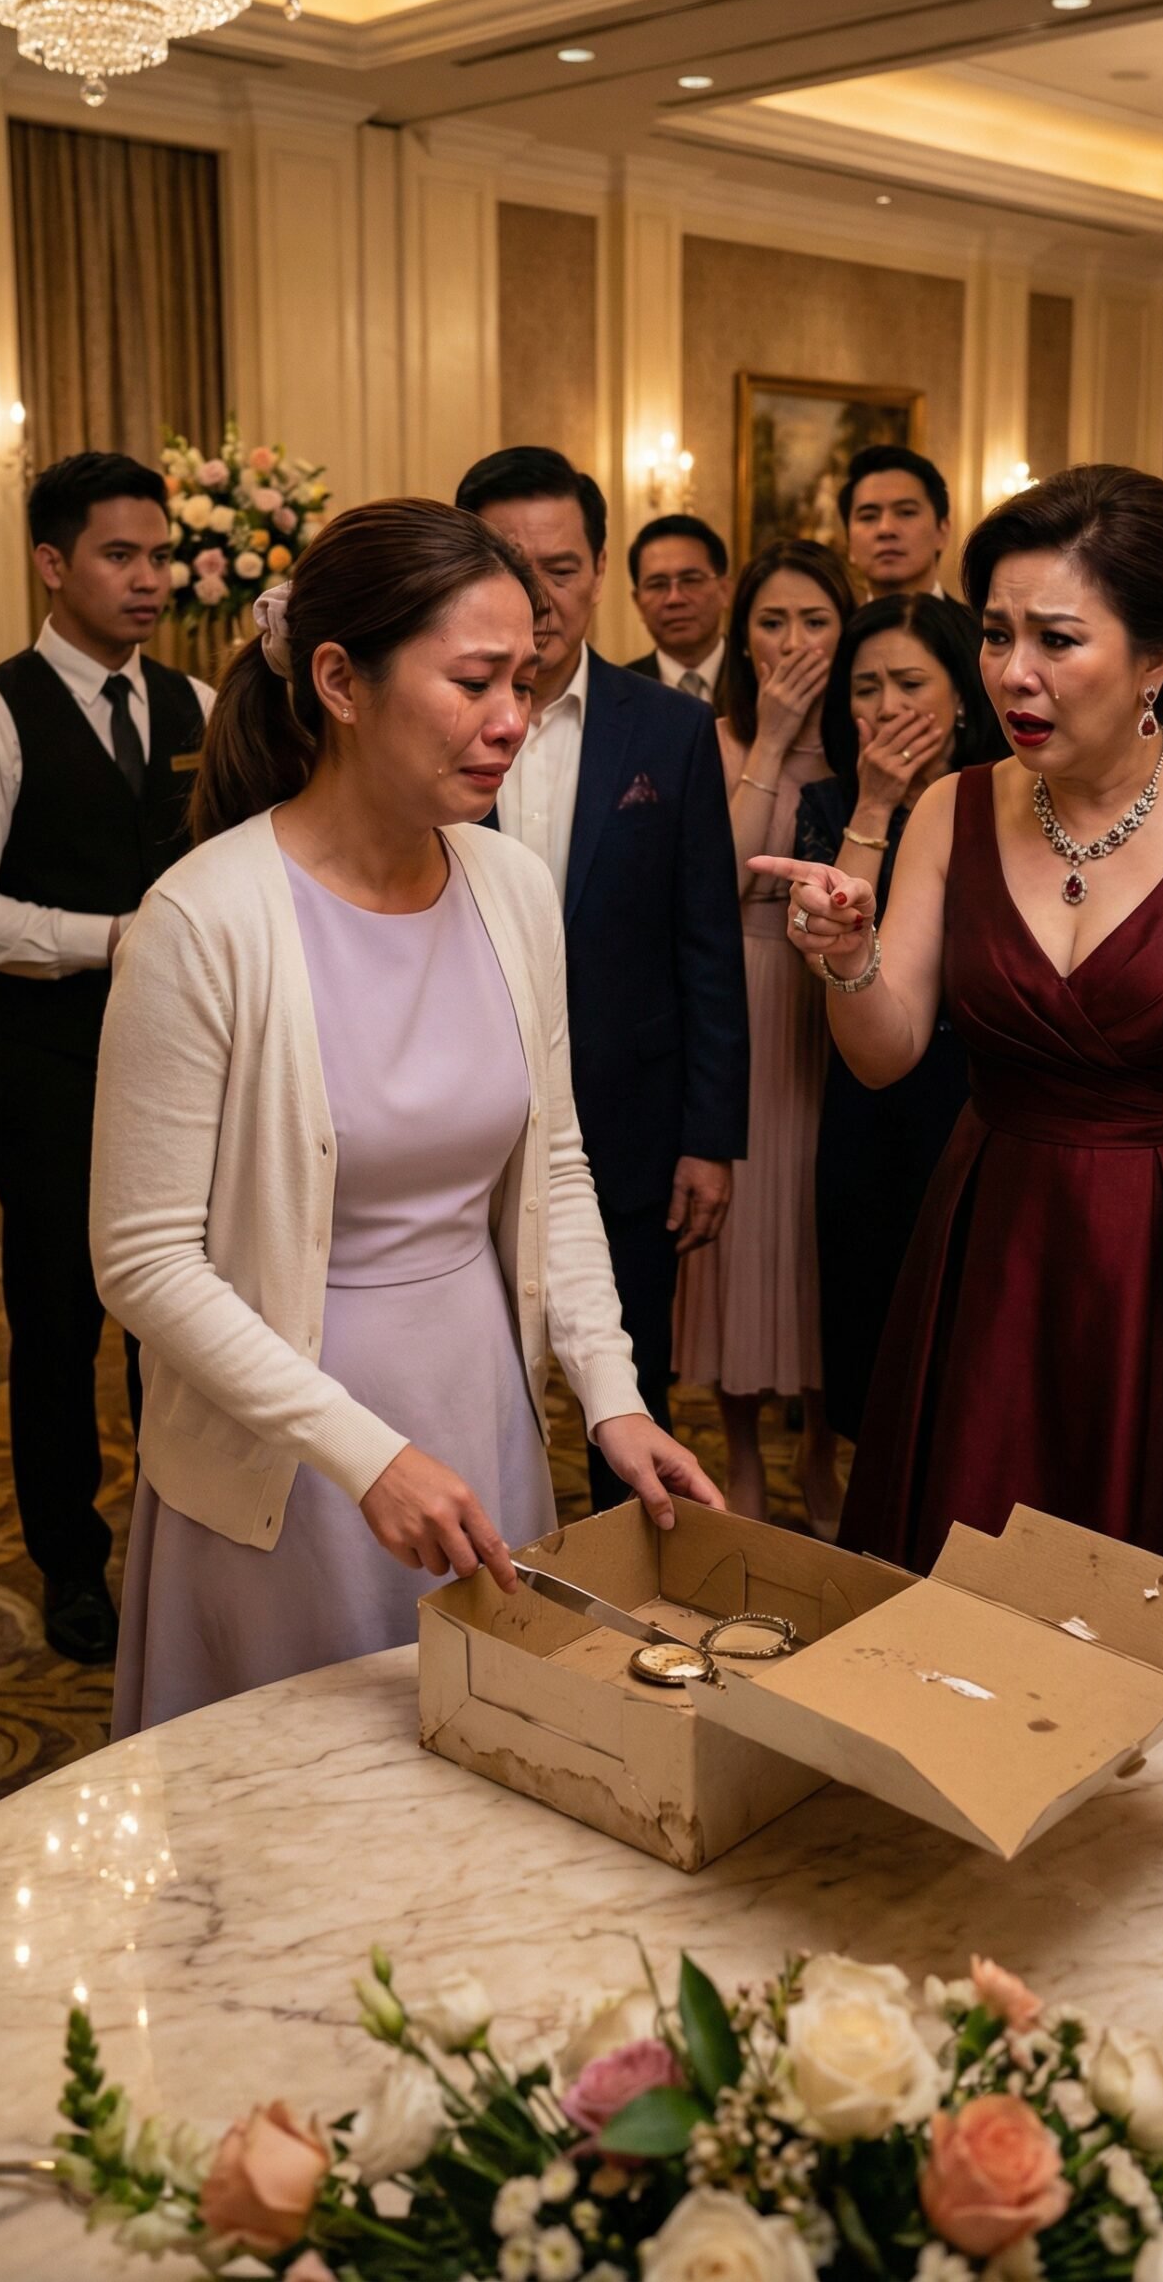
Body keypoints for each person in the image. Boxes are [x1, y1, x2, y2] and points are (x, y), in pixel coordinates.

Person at [94, 500, 721, 1735]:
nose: (513, 719)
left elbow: (554, 1162)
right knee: (304, 1792)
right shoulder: (202, 920)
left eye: (523, 682)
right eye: (474, 682)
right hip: (288, 1448)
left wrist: (612, 1392)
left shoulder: (511, 887)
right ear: (339, 681)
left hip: (476, 1398)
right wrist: (361, 1452)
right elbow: (144, 1259)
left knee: (484, 1767)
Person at [756, 463, 1163, 1669]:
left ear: (1153, 660)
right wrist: (846, 958)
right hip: (998, 1251)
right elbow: (883, 1055)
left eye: (1056, 638)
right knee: (976, 1611)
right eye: (996, 635)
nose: (1012, 674)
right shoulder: (952, 810)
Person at [454, 447, 749, 1510]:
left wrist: (710, 1136)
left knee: (629, 1397)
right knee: (469, 1394)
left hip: (630, 1119)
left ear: (599, 570)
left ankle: (629, 1588)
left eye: (563, 568)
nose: (539, 596)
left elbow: (706, 940)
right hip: (457, 1109)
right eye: (510, 565)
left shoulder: (668, 728)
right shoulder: (432, 717)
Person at [0, 451, 212, 1665]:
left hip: (185, 1069)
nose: (149, 579)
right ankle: (70, 1562)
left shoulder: (197, 703)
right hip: (52, 1068)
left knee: (179, 1320)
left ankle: (185, 1545)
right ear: (51, 563)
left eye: (160, 555)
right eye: (120, 555)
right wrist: (106, 939)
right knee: (59, 1323)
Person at [674, 538, 856, 1530]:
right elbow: (722, 877)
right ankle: (742, 1453)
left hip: (833, 1002)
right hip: (743, 996)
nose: (792, 642)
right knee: (742, 1238)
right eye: (772, 622)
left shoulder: (868, 743)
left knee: (820, 1228)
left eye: (814, 621)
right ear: (743, 636)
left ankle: (820, 1443)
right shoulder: (715, 739)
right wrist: (774, 740)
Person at [795, 593, 998, 1445]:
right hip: (870, 1090)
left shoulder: (1006, 803)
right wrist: (873, 806)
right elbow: (827, 953)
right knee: (873, 1327)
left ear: (963, 695)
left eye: (909, 684)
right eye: (865, 687)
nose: (884, 706)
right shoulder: (827, 803)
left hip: (982, 1089)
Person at [627, 513, 731, 709]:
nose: (674, 599)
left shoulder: (760, 678)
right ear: (637, 602)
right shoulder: (614, 693)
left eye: (691, 580)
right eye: (657, 585)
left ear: (724, 591)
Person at [839, 444, 951, 600]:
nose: (886, 529)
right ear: (849, 542)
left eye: (906, 512)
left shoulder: (975, 617)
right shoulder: (836, 617)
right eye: (868, 517)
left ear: (942, 532)